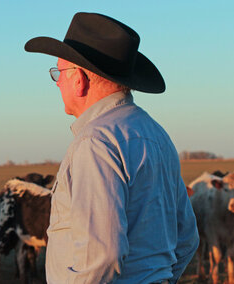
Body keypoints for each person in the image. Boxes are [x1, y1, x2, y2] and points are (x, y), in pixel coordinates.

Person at [24, 12, 199, 283]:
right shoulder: (158, 135)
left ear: (79, 79)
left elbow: (102, 257)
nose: (57, 82)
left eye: (59, 72)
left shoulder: (96, 142)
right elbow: (187, 238)